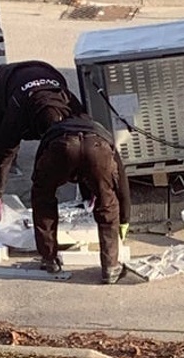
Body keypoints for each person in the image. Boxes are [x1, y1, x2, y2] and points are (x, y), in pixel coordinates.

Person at [0, 60, 83, 236]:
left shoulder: (71, 106)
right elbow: (3, 157)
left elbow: (88, 147)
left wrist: (92, 194)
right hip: (6, 82)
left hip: (46, 72)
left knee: (75, 150)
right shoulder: (17, 114)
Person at [32, 112, 131, 284]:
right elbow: (121, 184)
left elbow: (38, 174)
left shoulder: (55, 129)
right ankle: (110, 267)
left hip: (62, 146)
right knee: (107, 203)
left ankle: (49, 259)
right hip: (97, 148)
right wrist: (124, 219)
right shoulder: (101, 130)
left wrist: (42, 186)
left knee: (43, 199)